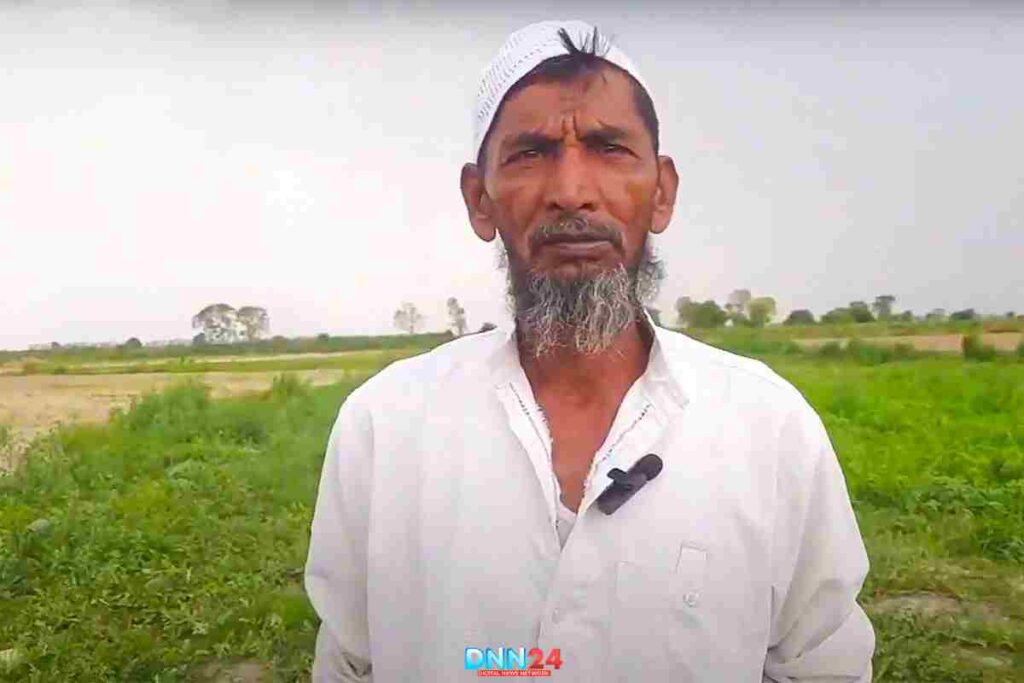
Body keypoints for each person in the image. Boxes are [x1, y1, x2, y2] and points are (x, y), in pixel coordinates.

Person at [305, 19, 874, 682]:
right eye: (530, 152)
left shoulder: (770, 428)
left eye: (608, 148)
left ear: (661, 192)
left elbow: (823, 663)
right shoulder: (384, 426)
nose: (571, 190)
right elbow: (348, 662)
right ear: (478, 199)